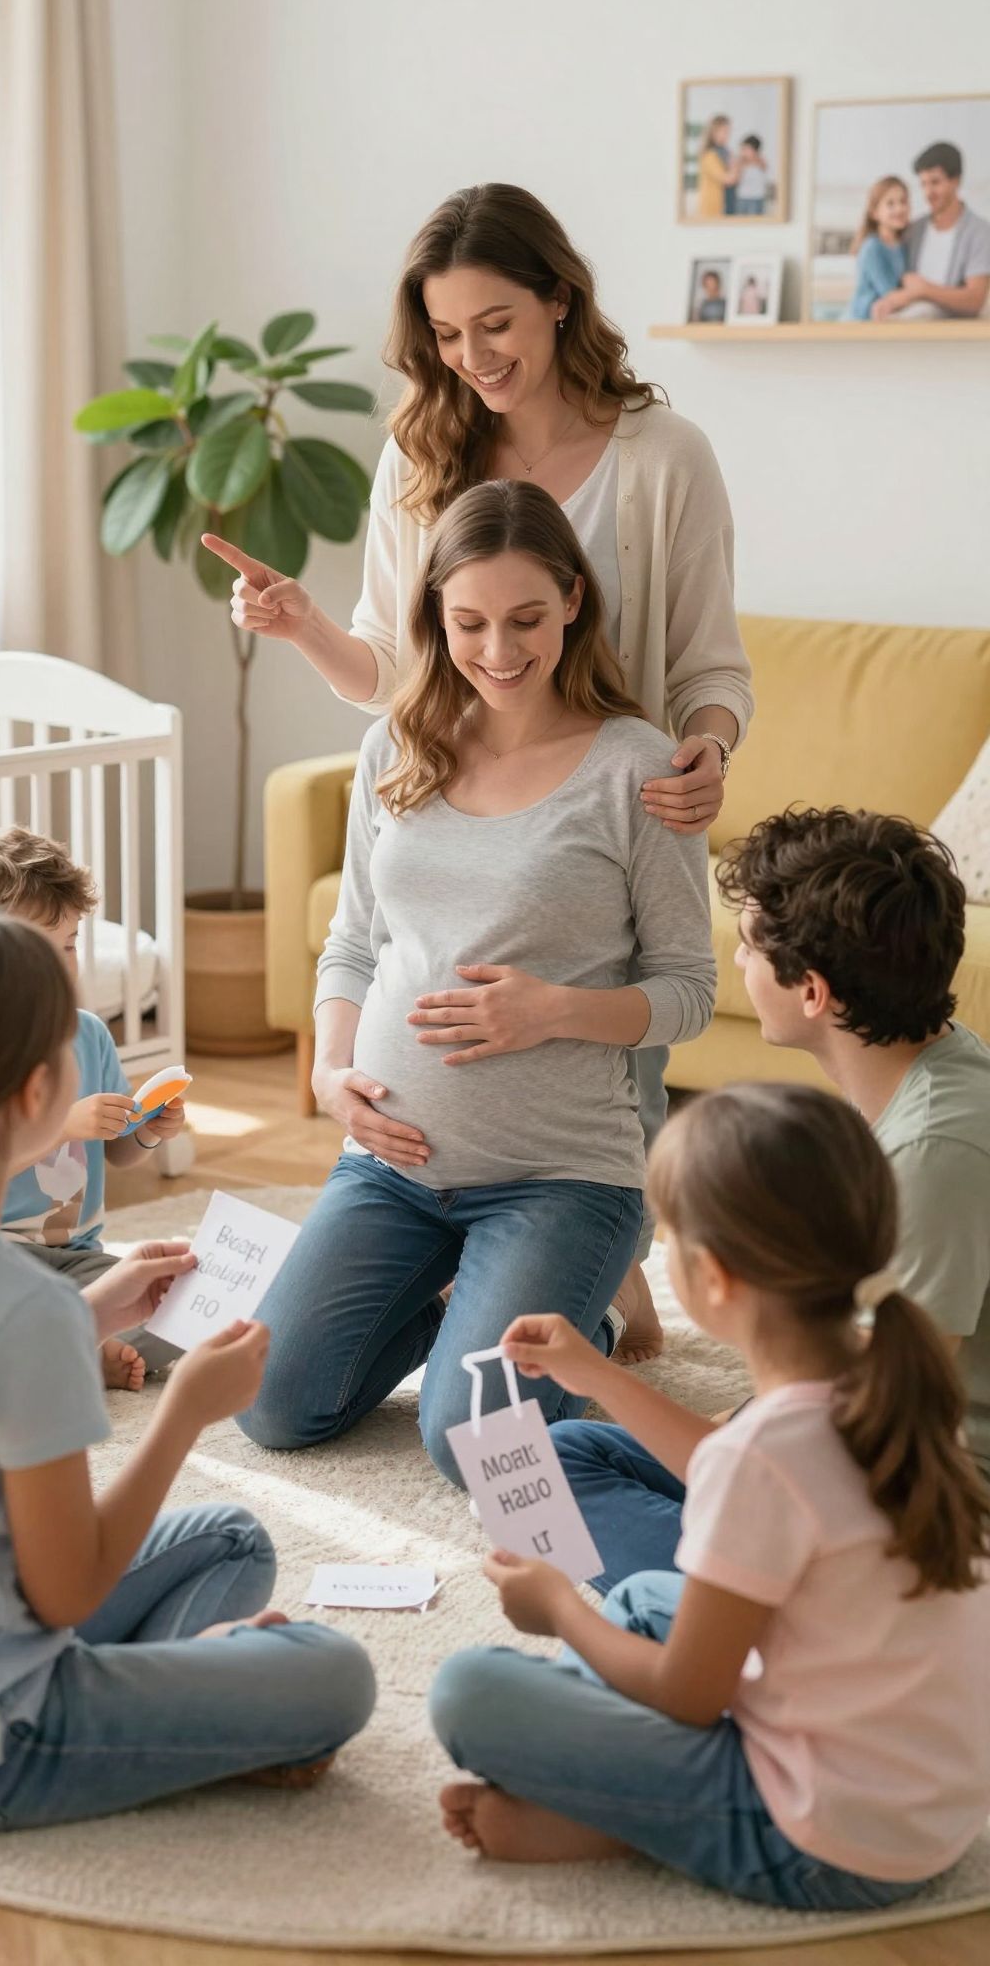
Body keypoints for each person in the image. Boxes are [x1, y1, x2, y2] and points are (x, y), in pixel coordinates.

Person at [204, 182, 753, 1361]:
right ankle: (557, 1278)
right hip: (467, 793)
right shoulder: (423, 448)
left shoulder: (663, 458)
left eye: (495, 324)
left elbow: (711, 660)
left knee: (599, 1094)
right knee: (290, 1381)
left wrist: (706, 745)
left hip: (617, 812)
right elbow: (399, 678)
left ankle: (583, 1260)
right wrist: (304, 625)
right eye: (447, 336)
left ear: (560, 299)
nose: (473, 357)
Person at [0, 914, 375, 1833]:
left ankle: (182, 1695)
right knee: (338, 1672)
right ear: (43, 1088)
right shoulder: (19, 1307)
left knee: (234, 1538)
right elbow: (68, 1592)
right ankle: (188, 1708)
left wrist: (89, 1311)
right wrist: (186, 1416)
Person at [235, 481, 715, 1486]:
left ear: (574, 601)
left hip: (560, 1177)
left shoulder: (639, 768)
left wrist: (553, 1008)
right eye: (469, 622)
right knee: (274, 1404)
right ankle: (468, 1289)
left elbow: (688, 989)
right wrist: (330, 1069)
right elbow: (354, 943)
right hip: (392, 1167)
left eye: (526, 618)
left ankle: (564, 1290)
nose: (499, 648)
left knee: (472, 1444)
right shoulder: (392, 749)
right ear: (435, 617)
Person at [430, 1084, 990, 1908]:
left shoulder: (765, 1453)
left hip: (822, 1842)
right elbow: (737, 1469)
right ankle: (629, 1798)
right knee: (653, 1593)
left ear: (715, 1278)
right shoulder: (890, 1384)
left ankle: (615, 1820)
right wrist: (590, 1372)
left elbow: (689, 1699)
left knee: (470, 1691)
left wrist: (559, 1610)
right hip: (925, 1812)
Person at [550, 806, 990, 1598]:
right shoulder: (936, 1067)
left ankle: (768, 1608)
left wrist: (731, 1454)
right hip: (852, 1440)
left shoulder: (934, 1152)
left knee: (561, 1490)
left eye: (750, 948)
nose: (739, 963)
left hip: (932, 1498)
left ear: (812, 991)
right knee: (567, 1456)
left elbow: (879, 1421)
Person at [0, 829, 187, 1390]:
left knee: (180, 1301)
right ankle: (73, 1347)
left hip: (77, 1262)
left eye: (68, 945)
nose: (61, 965)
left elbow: (117, 1156)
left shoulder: (87, 1035)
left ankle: (69, 1342)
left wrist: (146, 1132)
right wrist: (60, 1127)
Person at [872, 142, 990, 321]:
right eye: (923, 184)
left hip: (944, 329)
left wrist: (924, 290)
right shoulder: (914, 230)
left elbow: (975, 299)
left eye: (935, 182)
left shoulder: (979, 232)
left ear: (955, 181)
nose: (928, 192)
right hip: (908, 319)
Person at [848, 176, 911, 320]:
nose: (900, 208)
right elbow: (889, 293)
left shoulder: (902, 246)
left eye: (903, 201)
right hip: (863, 322)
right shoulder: (873, 248)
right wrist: (921, 291)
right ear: (875, 213)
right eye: (891, 204)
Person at [695, 117, 740, 219]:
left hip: (726, 206)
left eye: (728, 131)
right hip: (712, 210)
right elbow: (729, 179)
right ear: (713, 132)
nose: (727, 135)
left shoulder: (725, 153)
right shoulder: (709, 155)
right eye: (724, 131)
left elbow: (736, 180)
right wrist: (736, 164)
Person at [733, 134, 769, 215]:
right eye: (743, 149)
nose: (743, 152)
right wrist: (738, 166)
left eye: (746, 149)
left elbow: (763, 168)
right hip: (742, 198)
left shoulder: (761, 162)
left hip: (756, 199)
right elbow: (736, 180)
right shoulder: (740, 163)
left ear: (754, 150)